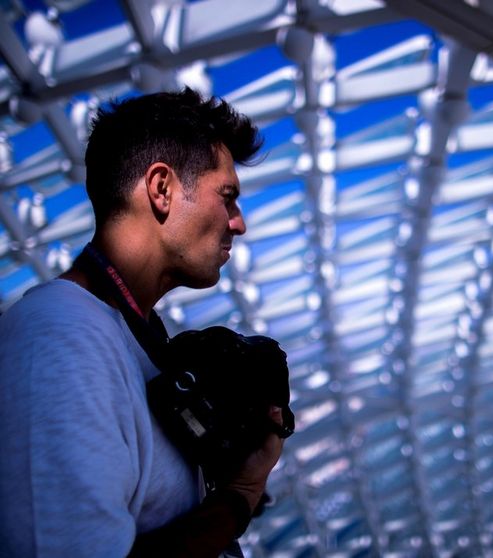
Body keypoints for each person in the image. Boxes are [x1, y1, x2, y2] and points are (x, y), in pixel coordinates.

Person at [0, 88, 285, 557]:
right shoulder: (60, 339)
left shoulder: (127, 338)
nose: (238, 223)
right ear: (161, 188)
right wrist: (240, 495)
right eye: (227, 197)